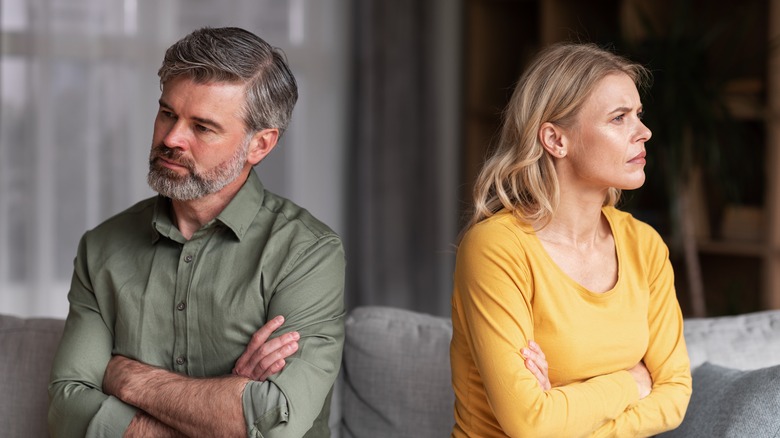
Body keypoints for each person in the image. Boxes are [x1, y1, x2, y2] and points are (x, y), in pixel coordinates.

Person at [48, 27, 345, 437]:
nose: (171, 138)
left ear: (260, 145)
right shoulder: (102, 248)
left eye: (202, 127)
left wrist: (130, 378)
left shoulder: (307, 254)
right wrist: (226, 402)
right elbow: (67, 410)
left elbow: (277, 422)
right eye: (168, 113)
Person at [450, 43, 692, 437]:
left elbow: (675, 395)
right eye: (619, 118)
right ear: (555, 140)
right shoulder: (496, 248)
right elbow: (530, 423)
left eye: (638, 115)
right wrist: (630, 382)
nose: (644, 132)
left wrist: (562, 409)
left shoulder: (644, 245)